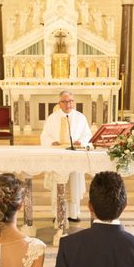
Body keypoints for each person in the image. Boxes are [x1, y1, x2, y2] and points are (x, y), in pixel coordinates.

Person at [41, 90, 92, 223]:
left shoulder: (81, 117)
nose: (68, 104)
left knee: (73, 184)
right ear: (60, 103)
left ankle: (73, 214)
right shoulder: (52, 118)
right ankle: (57, 213)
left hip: (74, 155)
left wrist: (81, 142)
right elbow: (45, 135)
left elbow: (87, 135)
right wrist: (52, 142)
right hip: (58, 156)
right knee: (58, 184)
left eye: (70, 101)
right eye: (65, 101)